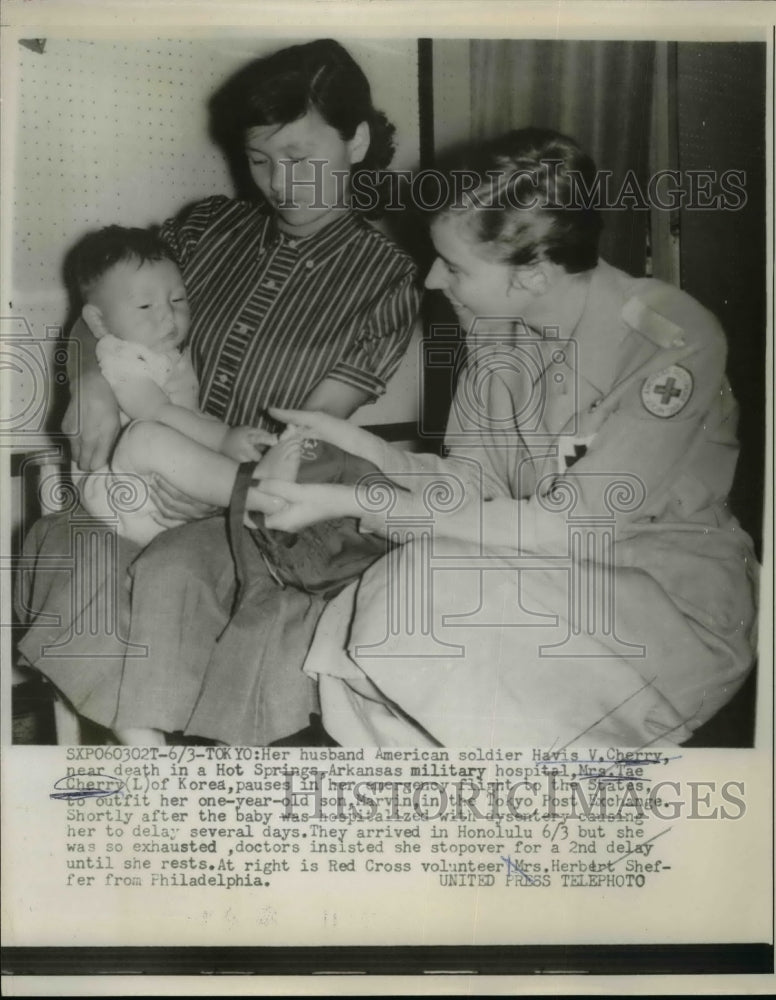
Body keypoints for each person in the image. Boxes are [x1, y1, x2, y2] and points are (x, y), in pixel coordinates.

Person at [255, 127, 760, 748]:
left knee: (418, 591)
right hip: (545, 572)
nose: (434, 280)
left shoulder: (670, 339)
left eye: (455, 266)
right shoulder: (497, 329)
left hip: (664, 605)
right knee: (385, 612)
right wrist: (361, 447)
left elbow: (565, 527)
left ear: (534, 274)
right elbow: (472, 487)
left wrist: (356, 501)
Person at [16, 39, 420, 744]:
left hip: (260, 503)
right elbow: (103, 305)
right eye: (260, 160)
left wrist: (216, 489)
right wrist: (90, 384)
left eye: (298, 158)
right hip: (144, 483)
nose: (277, 182)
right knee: (74, 546)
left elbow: (311, 430)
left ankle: (162, 756)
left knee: (175, 572)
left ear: (356, 141)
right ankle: (142, 755)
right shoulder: (205, 227)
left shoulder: (382, 277)